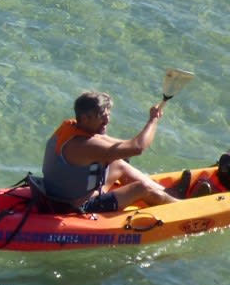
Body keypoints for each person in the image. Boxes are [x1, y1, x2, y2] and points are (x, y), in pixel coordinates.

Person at [41, 90, 188, 212]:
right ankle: (182, 208)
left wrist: (128, 148)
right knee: (142, 189)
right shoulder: (84, 145)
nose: (107, 120)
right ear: (85, 118)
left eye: (108, 114)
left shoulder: (74, 128)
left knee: (118, 162)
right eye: (102, 116)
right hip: (77, 205)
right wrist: (153, 120)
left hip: (59, 192)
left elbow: (123, 145)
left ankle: (168, 193)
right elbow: (138, 147)